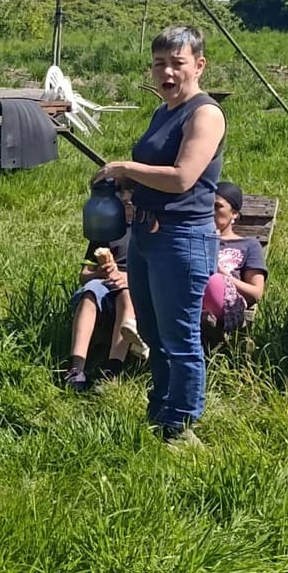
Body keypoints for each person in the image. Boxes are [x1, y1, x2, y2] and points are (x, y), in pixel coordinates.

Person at [95, 24, 226, 446]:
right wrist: (124, 187)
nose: (166, 72)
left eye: (177, 63)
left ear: (199, 65)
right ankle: (161, 413)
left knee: (181, 337)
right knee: (153, 333)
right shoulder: (164, 111)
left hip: (183, 239)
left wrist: (125, 169)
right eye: (158, 64)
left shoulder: (205, 113)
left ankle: (184, 425)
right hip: (148, 235)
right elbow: (156, 176)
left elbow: (184, 177)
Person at [64, 189, 138, 391]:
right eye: (123, 203)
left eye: (132, 202)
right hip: (103, 281)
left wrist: (127, 278)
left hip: (133, 282)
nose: (128, 207)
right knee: (89, 294)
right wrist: (99, 273)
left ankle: (113, 367)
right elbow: (84, 274)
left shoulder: (146, 232)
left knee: (127, 295)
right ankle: (76, 367)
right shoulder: (106, 231)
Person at [200, 180, 269, 349]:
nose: (210, 211)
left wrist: (225, 276)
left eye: (217, 206)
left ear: (235, 213)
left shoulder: (249, 245)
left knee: (213, 280)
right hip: (189, 294)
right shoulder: (193, 239)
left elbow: (256, 293)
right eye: (207, 205)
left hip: (227, 302)